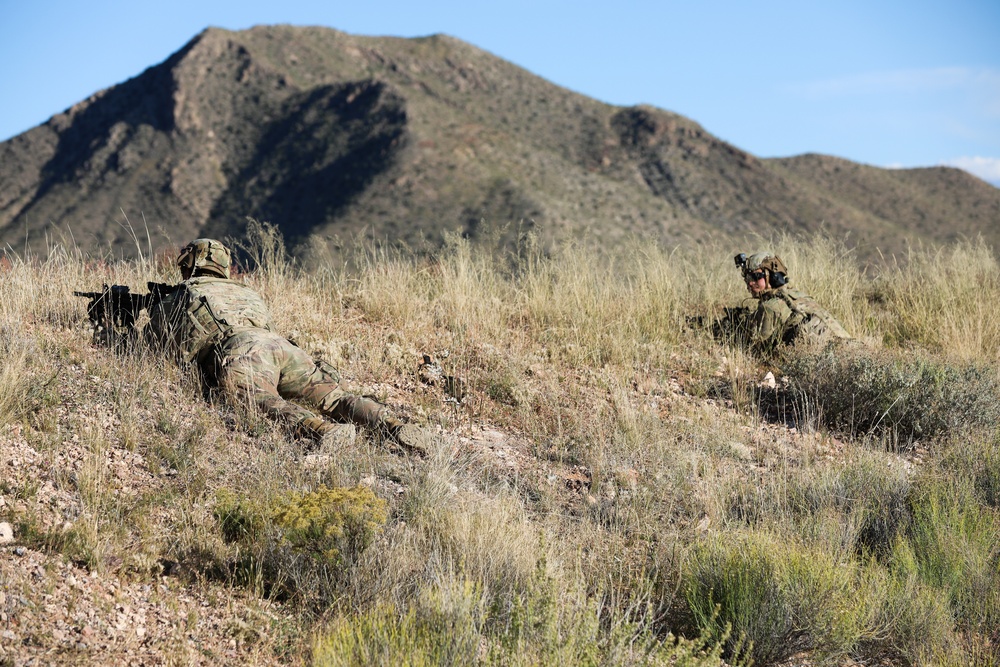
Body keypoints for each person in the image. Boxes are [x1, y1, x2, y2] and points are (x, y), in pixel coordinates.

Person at [144, 238, 426, 455]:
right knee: (335, 396)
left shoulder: (187, 293)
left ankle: (319, 430)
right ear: (224, 266)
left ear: (188, 263)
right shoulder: (246, 291)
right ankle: (394, 426)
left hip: (242, 352)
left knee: (257, 398)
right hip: (282, 347)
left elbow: (156, 348)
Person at [732, 251, 852, 353]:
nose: (750, 283)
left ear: (772, 276)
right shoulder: (798, 295)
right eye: (747, 278)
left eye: (755, 277)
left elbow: (758, 349)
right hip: (849, 346)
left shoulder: (770, 307)